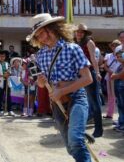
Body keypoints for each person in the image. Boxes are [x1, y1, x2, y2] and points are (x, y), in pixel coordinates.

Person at [26, 13, 93, 162]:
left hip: (77, 98)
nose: (43, 38)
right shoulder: (40, 55)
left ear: (54, 28)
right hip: (57, 104)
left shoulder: (72, 48)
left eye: (43, 32)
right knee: (71, 147)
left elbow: (88, 79)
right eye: (38, 36)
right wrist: (41, 82)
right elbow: (42, 83)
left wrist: (62, 91)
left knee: (75, 140)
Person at [74, 23, 103, 138]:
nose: (79, 33)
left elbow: (93, 58)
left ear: (85, 33)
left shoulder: (89, 42)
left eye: (81, 32)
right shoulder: (76, 43)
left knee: (94, 102)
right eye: (78, 31)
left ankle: (99, 130)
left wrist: (97, 72)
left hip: (89, 73)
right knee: (81, 102)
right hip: (78, 75)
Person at [0, 49, 14, 116]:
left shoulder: (7, 63)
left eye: (3, 56)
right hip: (0, 81)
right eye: (1, 56)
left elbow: (10, 71)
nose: (2, 57)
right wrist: (3, 75)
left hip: (7, 81)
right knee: (0, 96)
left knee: (9, 96)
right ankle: (0, 110)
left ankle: (9, 110)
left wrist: (8, 73)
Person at [103, 39, 121, 119]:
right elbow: (105, 66)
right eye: (113, 45)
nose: (114, 47)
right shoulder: (108, 55)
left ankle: (120, 116)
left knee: (119, 96)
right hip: (110, 76)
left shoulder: (121, 55)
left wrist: (116, 73)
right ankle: (110, 114)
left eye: (116, 45)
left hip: (119, 77)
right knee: (111, 95)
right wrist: (111, 72)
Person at [110, 47, 124, 132]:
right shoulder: (120, 65)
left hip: (122, 87)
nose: (119, 58)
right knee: (120, 105)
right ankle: (121, 121)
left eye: (120, 56)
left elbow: (118, 75)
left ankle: (122, 125)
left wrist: (115, 75)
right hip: (119, 88)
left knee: (122, 106)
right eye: (117, 57)